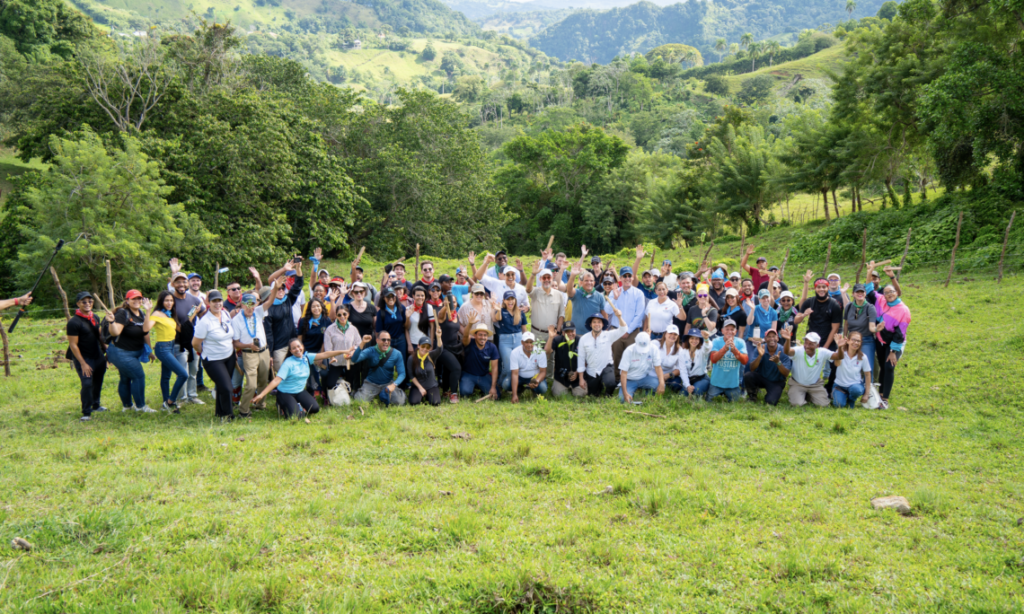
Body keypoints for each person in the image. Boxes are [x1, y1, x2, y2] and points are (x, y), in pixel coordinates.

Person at [253, 338, 352, 419]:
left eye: (298, 346)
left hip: (299, 391)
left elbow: (326, 354)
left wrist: (345, 351)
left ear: (302, 347)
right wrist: (261, 395)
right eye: (294, 348)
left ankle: (295, 405)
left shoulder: (307, 357)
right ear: (291, 351)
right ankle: (283, 406)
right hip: (285, 393)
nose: (297, 349)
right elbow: (276, 380)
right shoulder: (288, 363)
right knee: (296, 416)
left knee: (315, 409)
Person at [106, 290, 157, 413]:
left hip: (135, 352)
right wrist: (112, 322)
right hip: (120, 352)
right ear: (127, 300)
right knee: (138, 376)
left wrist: (149, 351)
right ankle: (140, 407)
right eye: (133, 298)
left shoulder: (142, 313)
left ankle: (127, 407)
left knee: (125, 378)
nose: (137, 301)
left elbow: (145, 332)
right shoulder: (122, 314)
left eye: (139, 298)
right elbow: (115, 332)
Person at [796, 271, 843, 394]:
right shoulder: (809, 302)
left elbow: (835, 328)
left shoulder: (834, 305)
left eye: (824, 287)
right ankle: (805, 385)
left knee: (835, 365)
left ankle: (830, 387)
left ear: (828, 288)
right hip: (811, 340)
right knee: (807, 364)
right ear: (815, 288)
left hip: (829, 339)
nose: (821, 289)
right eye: (819, 287)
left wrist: (824, 348)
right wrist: (804, 315)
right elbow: (796, 320)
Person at [193, 290, 237, 420]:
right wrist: (205, 352)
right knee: (227, 387)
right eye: (214, 301)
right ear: (208, 303)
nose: (217, 304)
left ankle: (220, 412)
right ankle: (228, 415)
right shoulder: (204, 321)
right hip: (213, 360)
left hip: (229, 356)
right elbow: (195, 343)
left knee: (223, 387)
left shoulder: (225, 313)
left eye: (219, 301)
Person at [872, 267, 910, 409]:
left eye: (892, 292)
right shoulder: (881, 300)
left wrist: (893, 351)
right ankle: (880, 395)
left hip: (895, 341)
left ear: (897, 293)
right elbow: (869, 289)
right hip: (881, 339)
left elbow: (900, 333)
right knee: (882, 366)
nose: (889, 294)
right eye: (887, 292)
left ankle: (885, 399)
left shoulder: (903, 310)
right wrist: (869, 271)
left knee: (889, 366)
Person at [66, 292, 107, 421]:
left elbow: (100, 336)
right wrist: (83, 363)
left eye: (90, 301)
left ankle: (96, 405)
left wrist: (107, 353)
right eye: (84, 302)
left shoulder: (95, 317)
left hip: (98, 355)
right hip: (84, 358)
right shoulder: (74, 322)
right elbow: (73, 345)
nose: (88, 304)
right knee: (87, 383)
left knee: (98, 381)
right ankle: (86, 412)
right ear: (78, 304)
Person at [232, 291, 273, 418]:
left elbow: (270, 301)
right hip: (249, 354)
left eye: (252, 304)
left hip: (264, 351)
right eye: (246, 304)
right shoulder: (236, 320)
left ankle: (260, 405)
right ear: (241, 305)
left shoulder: (258, 312)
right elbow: (236, 343)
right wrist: (249, 345)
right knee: (251, 384)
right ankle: (243, 410)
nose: (250, 308)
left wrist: (276, 288)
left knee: (263, 380)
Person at [168, 269, 204, 406]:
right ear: (173, 284)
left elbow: (202, 318)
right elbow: (171, 320)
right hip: (178, 342)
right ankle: (182, 397)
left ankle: (192, 395)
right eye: (178, 282)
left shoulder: (195, 300)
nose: (181, 284)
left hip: (193, 341)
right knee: (182, 371)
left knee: (193, 370)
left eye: (184, 282)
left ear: (188, 284)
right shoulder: (170, 300)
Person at [151, 291, 190, 413]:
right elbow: (146, 328)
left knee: (166, 376)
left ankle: (165, 403)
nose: (169, 303)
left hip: (171, 346)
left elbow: (180, 328)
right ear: (161, 301)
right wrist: (148, 311)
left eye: (171, 300)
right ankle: (171, 401)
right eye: (167, 300)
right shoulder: (157, 314)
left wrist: (191, 314)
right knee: (183, 374)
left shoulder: (169, 314)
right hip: (163, 348)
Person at [577, 303, 627, 397]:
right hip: (591, 370)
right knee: (592, 394)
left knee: (610, 383)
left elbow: (623, 329)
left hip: (606, 367)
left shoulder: (608, 335)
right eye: (594, 322)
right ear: (590, 324)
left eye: (599, 322)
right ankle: (598, 387)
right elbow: (581, 360)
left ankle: (609, 392)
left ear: (603, 324)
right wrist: (581, 378)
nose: (597, 324)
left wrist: (619, 317)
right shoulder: (583, 339)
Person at [525, 264, 567, 373]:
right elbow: (528, 289)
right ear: (540, 279)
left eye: (549, 277)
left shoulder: (559, 295)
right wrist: (533, 274)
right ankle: (535, 376)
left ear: (552, 278)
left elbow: (561, 315)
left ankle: (548, 378)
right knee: (535, 355)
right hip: (536, 332)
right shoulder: (535, 292)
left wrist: (557, 331)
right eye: (544, 277)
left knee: (550, 357)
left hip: (551, 334)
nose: (547, 280)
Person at [781, 329, 838, 407]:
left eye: (811, 344)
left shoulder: (822, 352)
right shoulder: (798, 350)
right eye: (806, 343)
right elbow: (787, 351)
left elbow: (839, 356)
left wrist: (840, 347)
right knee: (797, 404)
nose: (807, 346)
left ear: (817, 345)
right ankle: (804, 395)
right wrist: (787, 340)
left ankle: (808, 395)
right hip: (797, 384)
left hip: (815, 385)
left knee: (823, 405)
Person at [265, 260, 304, 373]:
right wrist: (270, 353)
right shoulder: (268, 308)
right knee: (281, 371)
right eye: (278, 288)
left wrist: (298, 268)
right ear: (272, 291)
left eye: (282, 288)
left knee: (294, 369)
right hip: (279, 346)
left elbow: (298, 285)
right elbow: (268, 333)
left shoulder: (288, 300)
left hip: (292, 342)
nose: (281, 290)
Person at [606, 263, 646, 371]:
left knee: (632, 358)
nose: (627, 278)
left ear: (632, 277)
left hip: (632, 332)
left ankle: (630, 380)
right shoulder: (614, 292)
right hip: (617, 331)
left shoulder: (639, 293)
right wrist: (614, 298)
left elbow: (639, 315)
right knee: (616, 357)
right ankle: (617, 379)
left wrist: (627, 331)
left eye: (629, 276)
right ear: (620, 278)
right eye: (624, 276)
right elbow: (607, 310)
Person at [350, 332, 407, 406]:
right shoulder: (370, 350)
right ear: (377, 340)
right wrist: (362, 343)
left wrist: (394, 385)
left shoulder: (397, 354)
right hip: (371, 383)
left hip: (388, 383)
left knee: (399, 402)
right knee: (359, 401)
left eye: (388, 340)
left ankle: (397, 393)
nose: (386, 342)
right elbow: (354, 359)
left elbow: (402, 373)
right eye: (383, 340)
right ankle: (358, 392)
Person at [321, 303, 364, 400]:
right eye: (339, 315)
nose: (342, 317)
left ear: (348, 314)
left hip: (350, 360)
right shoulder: (330, 330)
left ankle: (345, 396)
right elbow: (328, 348)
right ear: (336, 315)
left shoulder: (353, 329)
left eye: (344, 314)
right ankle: (329, 395)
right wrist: (332, 358)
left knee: (349, 382)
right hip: (336, 361)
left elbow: (358, 344)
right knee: (330, 383)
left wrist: (353, 353)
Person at [743, 329, 791, 406]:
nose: (771, 338)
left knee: (770, 402)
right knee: (748, 375)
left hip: (777, 382)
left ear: (777, 338)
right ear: (765, 339)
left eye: (774, 336)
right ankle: (752, 396)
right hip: (762, 377)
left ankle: (771, 395)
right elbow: (752, 368)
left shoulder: (783, 351)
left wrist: (778, 362)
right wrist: (760, 356)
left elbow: (786, 374)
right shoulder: (760, 348)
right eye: (769, 337)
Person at [433, 288, 463, 403]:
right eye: (450, 301)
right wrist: (446, 305)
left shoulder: (457, 315)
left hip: (454, 347)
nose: (452, 304)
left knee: (448, 369)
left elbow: (459, 330)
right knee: (456, 368)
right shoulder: (443, 314)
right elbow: (440, 314)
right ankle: (454, 394)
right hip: (442, 347)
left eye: (454, 302)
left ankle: (445, 390)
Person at [707, 319, 748, 402]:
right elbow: (713, 359)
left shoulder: (740, 342)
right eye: (727, 329)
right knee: (709, 401)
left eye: (732, 329)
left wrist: (735, 350)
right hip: (716, 383)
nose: (730, 331)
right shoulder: (716, 341)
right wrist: (725, 349)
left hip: (732, 384)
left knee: (736, 403)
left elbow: (745, 361)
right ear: (722, 331)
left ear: (735, 331)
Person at [843, 283, 878, 377]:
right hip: (851, 340)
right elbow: (846, 323)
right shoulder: (849, 306)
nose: (860, 294)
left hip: (866, 340)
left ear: (865, 293)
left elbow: (872, 326)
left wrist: (877, 329)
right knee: (849, 365)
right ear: (853, 294)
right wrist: (845, 337)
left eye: (862, 292)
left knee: (868, 368)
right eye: (857, 292)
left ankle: (869, 388)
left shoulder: (870, 308)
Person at [618, 332, 665, 403]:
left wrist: (661, 383)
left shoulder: (654, 349)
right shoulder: (629, 351)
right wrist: (625, 393)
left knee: (662, 385)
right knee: (622, 400)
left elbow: (658, 367)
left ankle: (646, 394)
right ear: (635, 341)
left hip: (644, 378)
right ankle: (633, 391)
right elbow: (623, 373)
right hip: (629, 379)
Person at [492, 291, 525, 386]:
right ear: (504, 300)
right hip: (505, 341)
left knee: (517, 366)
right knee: (508, 367)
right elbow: (497, 319)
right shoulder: (501, 310)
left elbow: (524, 329)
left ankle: (513, 386)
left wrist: (527, 341)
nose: (510, 301)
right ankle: (501, 383)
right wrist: (498, 310)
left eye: (512, 299)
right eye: (508, 299)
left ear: (515, 300)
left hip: (518, 339)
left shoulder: (520, 312)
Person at [298, 298, 330, 395]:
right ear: (310, 308)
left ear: (321, 307)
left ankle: (324, 392)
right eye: (313, 306)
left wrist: (321, 355)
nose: (316, 308)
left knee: (324, 372)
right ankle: (311, 393)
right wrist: (301, 354)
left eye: (318, 306)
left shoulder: (326, 320)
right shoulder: (303, 321)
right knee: (310, 374)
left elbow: (326, 339)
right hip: (307, 351)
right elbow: (299, 339)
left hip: (321, 350)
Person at [460, 321, 500, 400]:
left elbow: (495, 369)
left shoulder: (492, 347)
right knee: (465, 392)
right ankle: (472, 386)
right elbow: (465, 335)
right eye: (480, 335)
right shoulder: (469, 343)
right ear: (475, 335)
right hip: (469, 374)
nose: (482, 337)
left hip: (483, 375)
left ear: (487, 336)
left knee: (496, 396)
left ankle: (482, 388)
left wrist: (493, 387)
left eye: (485, 335)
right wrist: (470, 324)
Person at [832, 332, 873, 407]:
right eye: (853, 340)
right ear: (848, 341)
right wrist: (840, 347)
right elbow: (837, 364)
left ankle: (852, 399)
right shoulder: (840, 352)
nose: (856, 343)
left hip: (855, 385)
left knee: (856, 390)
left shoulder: (863, 357)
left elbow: (867, 375)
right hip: (840, 386)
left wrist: (866, 394)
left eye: (858, 341)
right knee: (839, 405)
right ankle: (841, 395)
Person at [506, 332, 548, 402]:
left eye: (531, 342)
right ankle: (518, 390)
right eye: (526, 342)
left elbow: (543, 372)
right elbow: (515, 374)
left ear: (534, 342)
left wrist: (536, 381)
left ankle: (534, 389)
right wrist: (514, 395)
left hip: (534, 377)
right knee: (506, 384)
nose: (529, 345)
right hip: (520, 377)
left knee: (543, 388)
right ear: (522, 342)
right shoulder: (515, 352)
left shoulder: (541, 352)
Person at [546, 323, 585, 397]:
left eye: (572, 331)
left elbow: (585, 361)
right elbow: (547, 351)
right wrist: (551, 337)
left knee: (581, 394)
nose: (570, 334)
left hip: (577, 376)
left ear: (575, 331)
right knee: (558, 395)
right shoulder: (557, 340)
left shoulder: (580, 341)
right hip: (561, 377)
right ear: (563, 333)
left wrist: (577, 373)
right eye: (567, 331)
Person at [407, 331, 445, 406]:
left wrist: (438, 337)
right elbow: (411, 375)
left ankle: (428, 396)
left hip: (431, 385)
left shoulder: (431, 355)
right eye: (423, 346)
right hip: (418, 386)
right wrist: (420, 388)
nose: (425, 349)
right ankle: (421, 394)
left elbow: (440, 349)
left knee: (436, 402)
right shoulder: (411, 358)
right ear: (418, 345)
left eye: (428, 347)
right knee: (414, 402)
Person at [566, 264, 607, 333]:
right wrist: (573, 275)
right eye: (586, 280)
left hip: (594, 334)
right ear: (581, 282)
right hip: (577, 334)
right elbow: (569, 290)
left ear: (594, 283)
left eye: (591, 281)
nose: (589, 283)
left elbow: (604, 314)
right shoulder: (577, 293)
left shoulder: (600, 296)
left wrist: (605, 330)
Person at [375, 287, 408, 361]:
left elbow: (405, 325)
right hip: (387, 341)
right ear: (383, 298)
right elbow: (378, 331)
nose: (390, 298)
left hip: (401, 340)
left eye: (392, 296)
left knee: (401, 362)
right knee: (388, 363)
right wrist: (379, 345)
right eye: (388, 296)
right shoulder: (381, 313)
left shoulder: (401, 308)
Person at [655, 325, 690, 394]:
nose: (672, 336)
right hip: (654, 373)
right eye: (670, 333)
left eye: (675, 334)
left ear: (677, 337)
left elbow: (680, 368)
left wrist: (668, 375)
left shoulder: (680, 351)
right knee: (653, 384)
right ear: (665, 334)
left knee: (676, 385)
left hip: (669, 374)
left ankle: (666, 384)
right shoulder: (655, 344)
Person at [405, 287, 435, 356]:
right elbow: (406, 329)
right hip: (413, 343)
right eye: (418, 295)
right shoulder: (408, 309)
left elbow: (432, 327)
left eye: (422, 295)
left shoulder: (428, 308)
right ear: (413, 296)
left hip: (425, 344)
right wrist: (409, 345)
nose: (420, 297)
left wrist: (431, 343)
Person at [683, 328, 712, 398]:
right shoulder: (683, 352)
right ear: (688, 339)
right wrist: (687, 385)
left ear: (699, 340)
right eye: (692, 338)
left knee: (696, 391)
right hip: (689, 379)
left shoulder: (702, 350)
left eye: (696, 338)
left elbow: (707, 347)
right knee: (683, 394)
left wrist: (706, 339)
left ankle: (704, 392)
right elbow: (683, 371)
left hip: (702, 378)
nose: (694, 341)